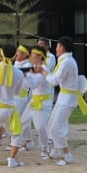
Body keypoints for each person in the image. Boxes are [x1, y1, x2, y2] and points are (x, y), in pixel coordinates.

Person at [38, 37, 78, 165]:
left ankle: (67, 155)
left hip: (68, 100)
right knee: (51, 124)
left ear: (63, 48)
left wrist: (44, 73)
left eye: (58, 46)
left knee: (56, 128)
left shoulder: (67, 62)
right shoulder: (65, 60)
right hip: (63, 98)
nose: (56, 48)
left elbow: (55, 81)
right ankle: (56, 149)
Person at [20, 45, 52, 159]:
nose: (31, 55)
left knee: (40, 127)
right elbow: (25, 85)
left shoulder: (44, 69)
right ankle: (28, 142)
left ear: (39, 56)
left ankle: (45, 148)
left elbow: (33, 84)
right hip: (34, 100)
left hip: (43, 102)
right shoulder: (33, 67)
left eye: (33, 53)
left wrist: (24, 76)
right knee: (22, 121)